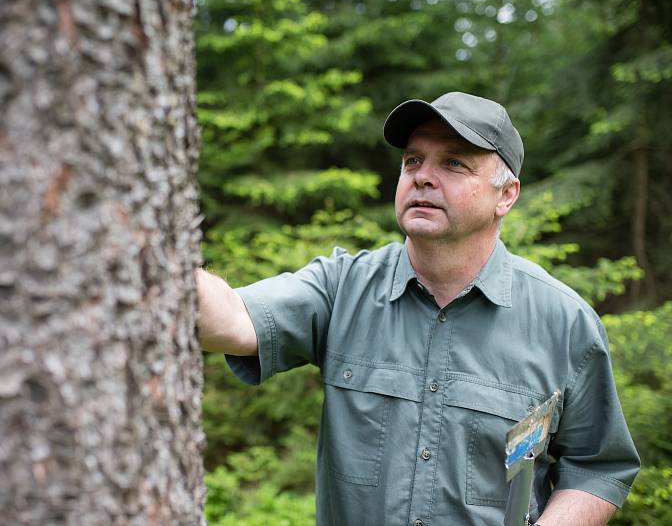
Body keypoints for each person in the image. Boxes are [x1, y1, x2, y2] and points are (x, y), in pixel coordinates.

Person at [196, 92, 640, 525]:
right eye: (413, 160)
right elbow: (232, 319)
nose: (422, 177)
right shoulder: (343, 287)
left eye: (453, 163)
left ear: (506, 195)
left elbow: (597, 467)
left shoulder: (565, 323)